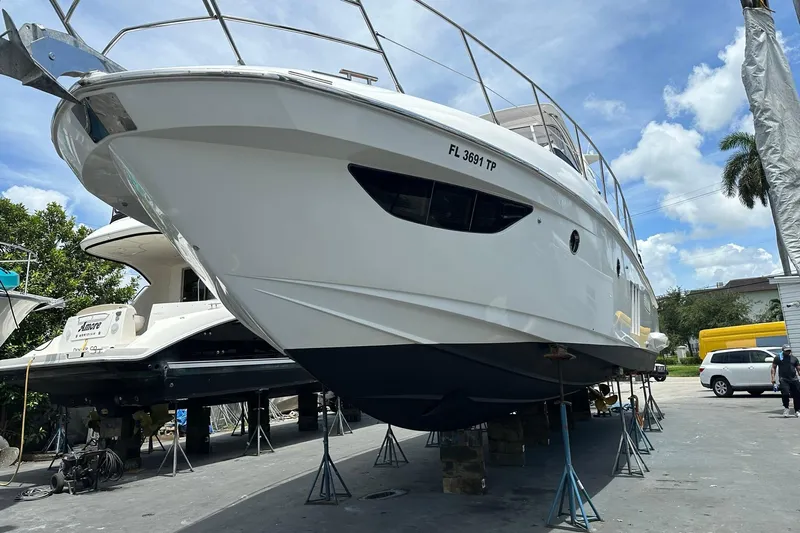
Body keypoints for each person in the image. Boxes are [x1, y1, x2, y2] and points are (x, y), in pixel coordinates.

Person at [771, 344, 800, 417]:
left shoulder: (794, 359)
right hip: (783, 379)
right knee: (785, 394)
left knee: (797, 395)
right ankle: (786, 408)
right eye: (787, 351)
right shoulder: (778, 358)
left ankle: (797, 410)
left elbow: (798, 368)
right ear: (783, 351)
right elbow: (773, 368)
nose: (788, 352)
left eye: (789, 350)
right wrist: (773, 378)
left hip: (794, 379)